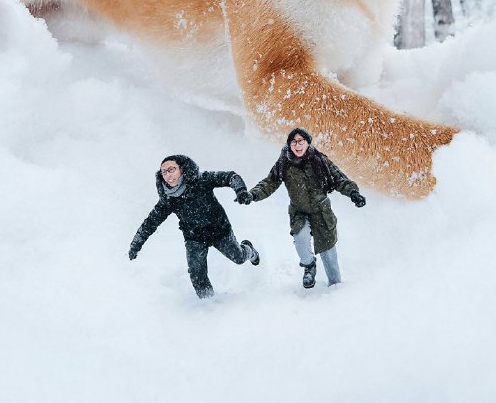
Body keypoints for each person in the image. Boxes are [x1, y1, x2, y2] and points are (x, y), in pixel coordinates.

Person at [237, 127, 365, 289]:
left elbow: (339, 179)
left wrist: (354, 193)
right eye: (294, 142)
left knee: (328, 253)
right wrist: (252, 195)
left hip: (322, 212)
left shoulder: (320, 160)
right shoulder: (284, 163)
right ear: (289, 144)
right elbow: (269, 182)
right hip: (300, 212)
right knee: (301, 241)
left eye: (301, 141)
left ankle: (336, 289)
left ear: (307, 143)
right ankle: (309, 266)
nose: (297, 145)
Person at [128, 154, 260, 299]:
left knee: (239, 258)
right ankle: (209, 304)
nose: (167, 175)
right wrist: (136, 245)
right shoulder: (168, 199)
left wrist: (240, 191)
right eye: (164, 172)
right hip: (194, 237)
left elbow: (231, 176)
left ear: (182, 169)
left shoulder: (201, 179)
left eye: (171, 169)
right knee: (197, 275)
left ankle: (249, 250)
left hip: (219, 230)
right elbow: (150, 223)